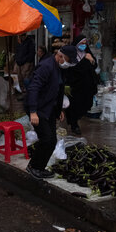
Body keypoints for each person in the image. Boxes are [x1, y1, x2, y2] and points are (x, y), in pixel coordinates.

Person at [24, 45, 78, 179]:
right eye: (67, 60)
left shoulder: (59, 68)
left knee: (52, 140)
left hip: (49, 109)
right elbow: (34, 88)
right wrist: (33, 111)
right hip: (39, 109)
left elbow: (58, 91)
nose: (68, 64)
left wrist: (59, 110)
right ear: (59, 56)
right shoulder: (46, 67)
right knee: (46, 139)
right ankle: (33, 167)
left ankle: (39, 168)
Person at [64, 35, 98, 135]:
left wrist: (91, 59)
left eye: (84, 43)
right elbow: (69, 68)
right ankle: (74, 125)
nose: (83, 45)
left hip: (87, 86)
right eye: (81, 43)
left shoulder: (88, 53)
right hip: (75, 85)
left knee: (87, 104)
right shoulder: (72, 54)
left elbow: (94, 65)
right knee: (75, 106)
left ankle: (75, 120)